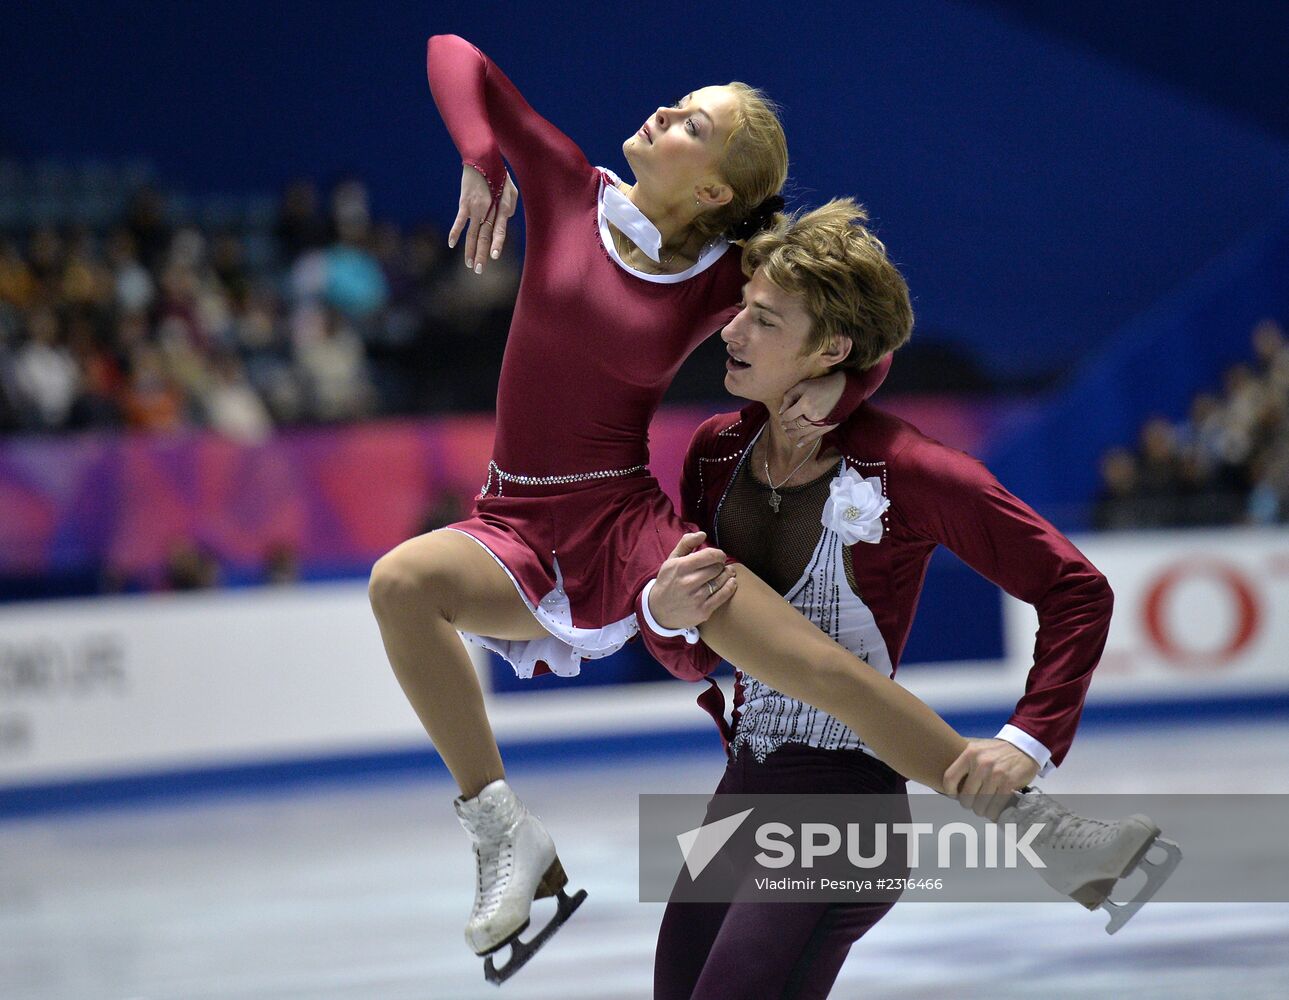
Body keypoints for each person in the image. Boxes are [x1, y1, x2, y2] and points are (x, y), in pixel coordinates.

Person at [370, 34, 1078, 981]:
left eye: (690, 122)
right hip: (512, 520)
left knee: (818, 672)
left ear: (712, 191)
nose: (663, 113)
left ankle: (1023, 815)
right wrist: (477, 152)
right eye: (678, 104)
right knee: (402, 582)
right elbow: (455, 54)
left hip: (626, 527)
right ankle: (504, 834)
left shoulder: (723, 275)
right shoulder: (565, 189)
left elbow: (854, 327)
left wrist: (842, 395)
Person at [646, 200, 1180, 997]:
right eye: (740, 311)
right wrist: (663, 614)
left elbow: (1075, 590)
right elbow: (692, 657)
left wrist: (1026, 740)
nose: (730, 333)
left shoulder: (912, 470)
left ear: (829, 349)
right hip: (743, 790)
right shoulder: (714, 451)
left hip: (844, 807)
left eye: (761, 319)